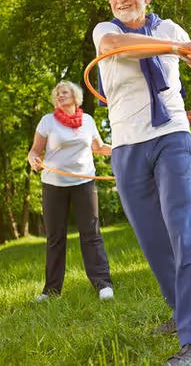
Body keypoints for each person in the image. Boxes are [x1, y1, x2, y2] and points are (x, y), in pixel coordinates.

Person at [92, 0, 191, 366]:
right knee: (152, 238)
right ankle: (180, 310)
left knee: (184, 228)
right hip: (127, 144)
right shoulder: (104, 30)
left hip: (171, 135)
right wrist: (176, 48)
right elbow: (118, 46)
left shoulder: (169, 27)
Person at [28, 81, 114, 302]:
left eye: (64, 92)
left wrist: (122, 150)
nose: (59, 95)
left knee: (91, 233)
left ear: (75, 96)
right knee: (55, 237)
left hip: (84, 181)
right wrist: (34, 161)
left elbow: (98, 147)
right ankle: (52, 290)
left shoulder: (88, 121)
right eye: (57, 93)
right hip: (54, 183)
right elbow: (35, 151)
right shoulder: (48, 121)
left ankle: (103, 284)